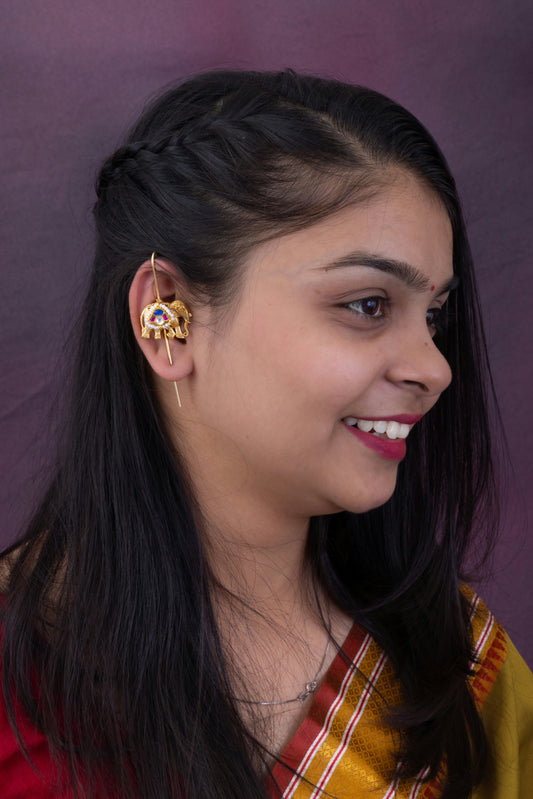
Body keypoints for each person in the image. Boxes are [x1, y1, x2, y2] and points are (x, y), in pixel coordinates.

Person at [0, 69, 531, 799]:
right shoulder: (18, 674)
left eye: (433, 314)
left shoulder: (459, 672)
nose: (435, 369)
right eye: (369, 304)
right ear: (167, 317)